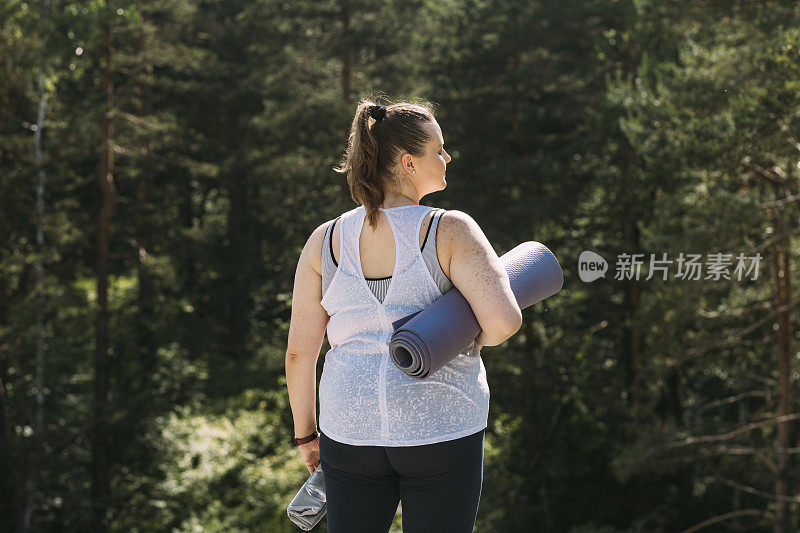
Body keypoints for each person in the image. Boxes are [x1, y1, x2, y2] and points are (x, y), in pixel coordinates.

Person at [284, 97, 522, 533]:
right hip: (440, 429)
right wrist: (464, 336)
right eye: (439, 150)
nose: (447, 158)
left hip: (349, 432)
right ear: (410, 163)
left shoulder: (324, 240)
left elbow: (300, 354)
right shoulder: (450, 229)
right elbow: (504, 322)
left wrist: (306, 436)